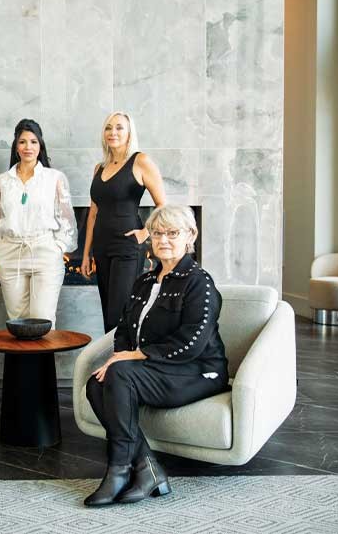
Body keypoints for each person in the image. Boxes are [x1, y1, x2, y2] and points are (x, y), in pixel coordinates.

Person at [83, 204, 229, 507]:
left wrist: (132, 357)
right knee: (96, 383)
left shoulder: (199, 282)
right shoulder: (145, 282)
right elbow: (123, 328)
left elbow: (192, 343)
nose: (163, 240)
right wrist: (121, 354)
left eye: (172, 233)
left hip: (197, 371)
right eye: (157, 233)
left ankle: (119, 470)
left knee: (119, 372)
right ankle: (148, 469)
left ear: (191, 235)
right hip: (157, 369)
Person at [81, 112, 166, 333]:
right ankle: (112, 365)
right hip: (101, 246)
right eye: (108, 128)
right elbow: (92, 214)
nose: (113, 132)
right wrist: (86, 253)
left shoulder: (140, 161)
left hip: (126, 246)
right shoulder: (99, 168)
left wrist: (144, 233)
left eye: (119, 127)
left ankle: (122, 363)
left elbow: (162, 205)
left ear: (129, 132)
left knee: (119, 313)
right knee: (108, 314)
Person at [0, 119, 77, 326]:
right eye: (23, 142)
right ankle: (21, 360)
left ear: (40, 146)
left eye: (34, 142)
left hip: (45, 252)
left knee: (43, 321)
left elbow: (67, 219)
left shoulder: (54, 178)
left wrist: (58, 247)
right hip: (10, 254)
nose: (28, 147)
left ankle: (43, 360)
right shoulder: (2, 181)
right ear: (16, 146)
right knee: (17, 321)